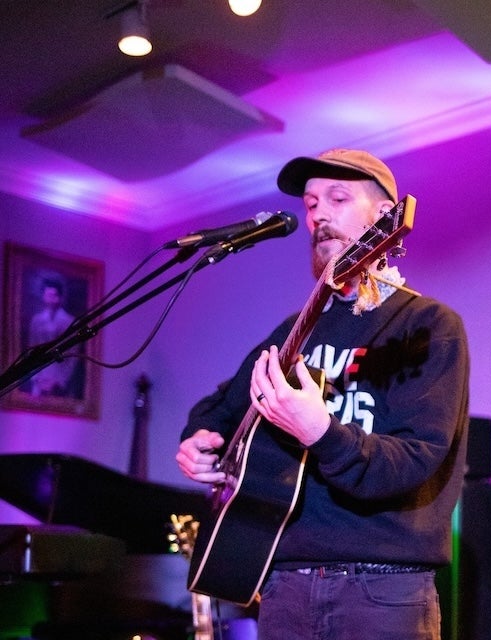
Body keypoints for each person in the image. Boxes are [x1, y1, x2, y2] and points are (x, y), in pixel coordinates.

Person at [176, 148, 470, 640]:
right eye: (311, 204)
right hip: (284, 584)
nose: (319, 215)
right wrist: (200, 443)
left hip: (382, 591)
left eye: (338, 198)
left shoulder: (428, 326)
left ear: (384, 217)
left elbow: (417, 459)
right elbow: (220, 410)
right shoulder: (293, 331)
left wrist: (320, 431)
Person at [28, 277, 78, 397]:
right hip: (39, 375)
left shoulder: (69, 321)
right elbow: (31, 349)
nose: (51, 299)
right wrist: (35, 377)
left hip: (59, 376)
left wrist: (59, 380)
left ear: (60, 297)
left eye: (54, 295)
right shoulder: (37, 320)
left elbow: (73, 355)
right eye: (47, 295)